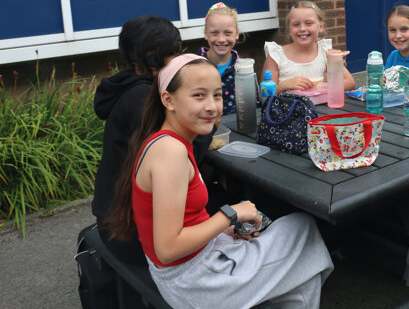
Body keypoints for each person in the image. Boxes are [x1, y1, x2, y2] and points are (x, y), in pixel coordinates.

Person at [109, 54, 333, 308]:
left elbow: (184, 220)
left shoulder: (163, 140)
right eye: (199, 95)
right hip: (195, 282)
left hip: (191, 265)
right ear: (168, 100)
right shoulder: (171, 153)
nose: (212, 107)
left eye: (216, 95)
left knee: (301, 260)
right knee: (303, 230)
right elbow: (168, 249)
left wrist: (221, 230)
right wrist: (230, 215)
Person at [93, 15, 185, 264]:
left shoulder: (127, 86)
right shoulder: (143, 100)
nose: (177, 58)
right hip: (126, 231)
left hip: (112, 217)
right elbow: (177, 163)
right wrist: (205, 131)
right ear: (149, 53)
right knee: (223, 208)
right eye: (172, 51)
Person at [263, 1, 355, 93]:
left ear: (321, 27)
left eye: (309, 23)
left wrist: (323, 88)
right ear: (289, 29)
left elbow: (350, 83)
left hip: (319, 102)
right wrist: (284, 85)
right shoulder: (276, 55)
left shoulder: (325, 52)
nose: (302, 29)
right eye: (296, 24)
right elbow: (263, 94)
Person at [198, 2, 244, 115]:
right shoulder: (193, 66)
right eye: (214, 33)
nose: (221, 39)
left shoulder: (243, 68)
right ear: (206, 34)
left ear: (237, 34)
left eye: (228, 33)